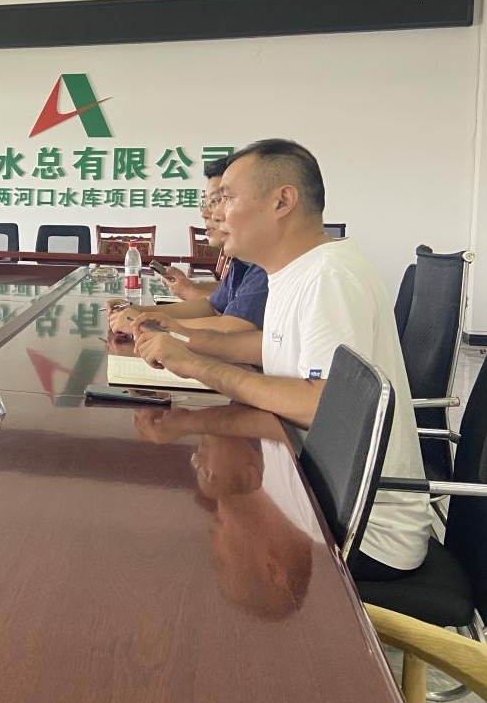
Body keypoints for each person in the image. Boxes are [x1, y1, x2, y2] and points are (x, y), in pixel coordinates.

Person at [131, 138, 429, 580]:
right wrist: (180, 339)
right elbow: (266, 346)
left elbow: (320, 405)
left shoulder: (329, 277)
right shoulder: (297, 271)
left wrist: (194, 366)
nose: (215, 213)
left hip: (361, 530)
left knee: (172, 545)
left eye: (225, 197)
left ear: (282, 201)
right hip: (320, 489)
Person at [106, 157, 268, 336]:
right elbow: (212, 307)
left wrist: (145, 324)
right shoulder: (243, 259)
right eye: (207, 203)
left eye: (221, 200)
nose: (207, 214)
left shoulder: (267, 263)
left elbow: (237, 328)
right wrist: (138, 311)